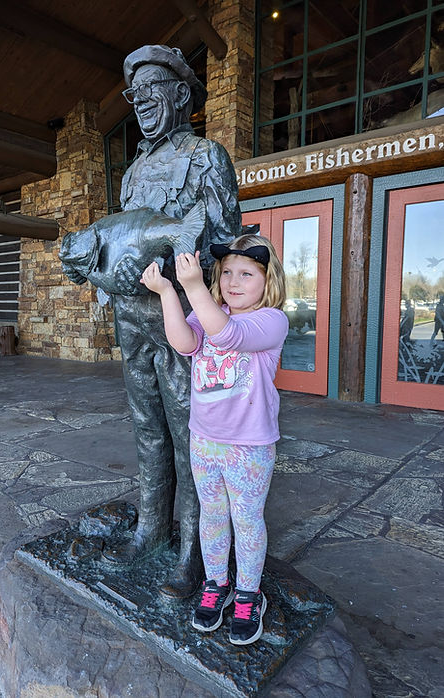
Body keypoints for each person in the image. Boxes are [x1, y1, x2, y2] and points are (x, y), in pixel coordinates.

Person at [99, 45, 242, 600]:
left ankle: (194, 553)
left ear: (182, 95)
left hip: (183, 325)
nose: (141, 104)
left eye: (153, 89)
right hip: (132, 322)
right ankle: (150, 531)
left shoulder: (207, 157)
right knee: (148, 432)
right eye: (135, 95)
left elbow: (226, 245)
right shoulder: (133, 172)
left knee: (191, 439)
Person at [140, 233, 289, 645]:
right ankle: (216, 583)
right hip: (205, 440)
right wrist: (170, 291)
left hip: (249, 445)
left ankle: (248, 593)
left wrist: (193, 287)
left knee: (246, 519)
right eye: (226, 273)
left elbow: (227, 336)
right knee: (212, 515)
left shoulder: (270, 320)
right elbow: (184, 342)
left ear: (268, 281)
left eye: (246, 273)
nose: (233, 281)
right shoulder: (210, 312)